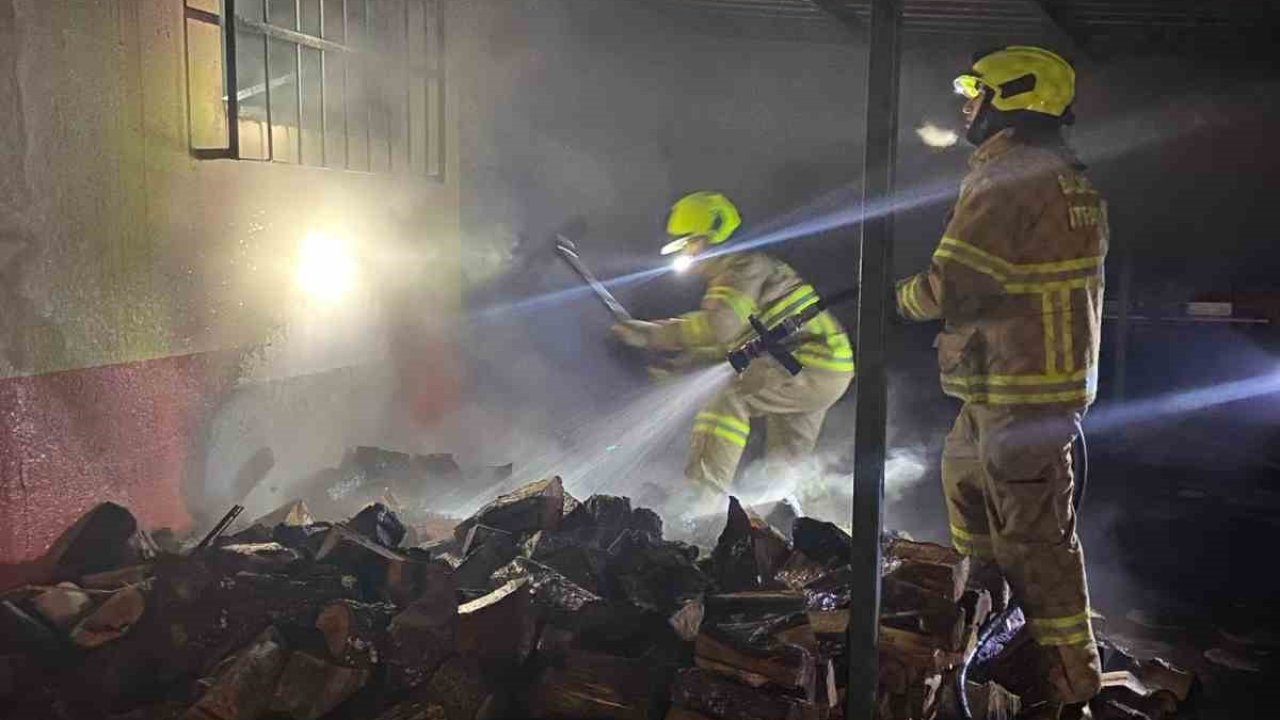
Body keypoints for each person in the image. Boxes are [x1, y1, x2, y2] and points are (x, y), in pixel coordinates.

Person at [895, 46, 1107, 719]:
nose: (968, 107)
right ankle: (998, 650)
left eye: (977, 93)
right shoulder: (1056, 174)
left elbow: (957, 281)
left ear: (1014, 98)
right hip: (1009, 390)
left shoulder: (1010, 176)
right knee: (978, 523)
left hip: (1021, 394)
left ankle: (1072, 689)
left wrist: (896, 300)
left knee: (1034, 546)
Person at [612, 191, 855, 516]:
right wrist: (683, 364)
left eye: (690, 242)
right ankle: (784, 529)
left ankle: (698, 503)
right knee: (785, 462)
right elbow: (734, 344)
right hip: (822, 367)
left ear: (711, 237)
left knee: (727, 399)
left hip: (807, 362)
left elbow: (719, 326)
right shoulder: (750, 268)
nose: (688, 252)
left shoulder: (742, 267)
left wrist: (650, 335)